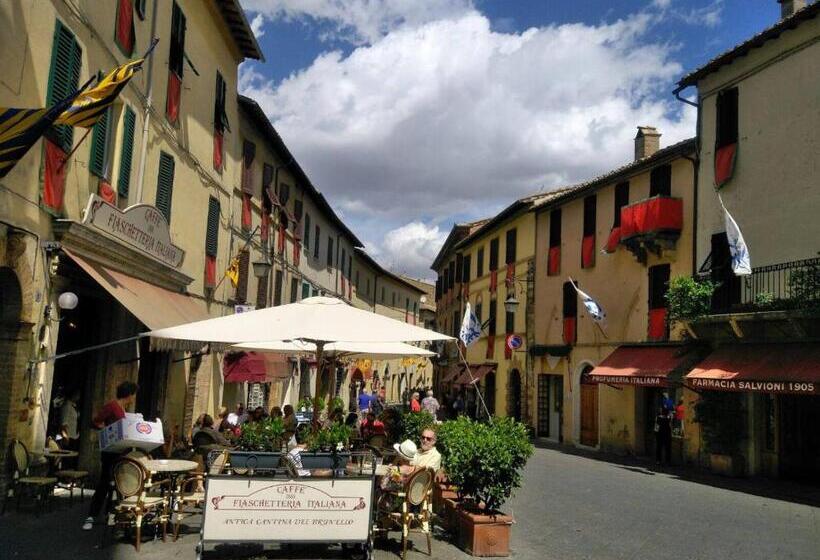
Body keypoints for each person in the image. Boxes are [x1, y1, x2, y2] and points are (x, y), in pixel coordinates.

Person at [83, 380, 138, 531]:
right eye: (133, 394)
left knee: (117, 484)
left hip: (120, 452)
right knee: (105, 482)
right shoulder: (112, 406)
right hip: (110, 452)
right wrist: (107, 432)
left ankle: (110, 514)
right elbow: (96, 422)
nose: (134, 398)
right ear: (129, 394)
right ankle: (91, 516)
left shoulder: (122, 409)